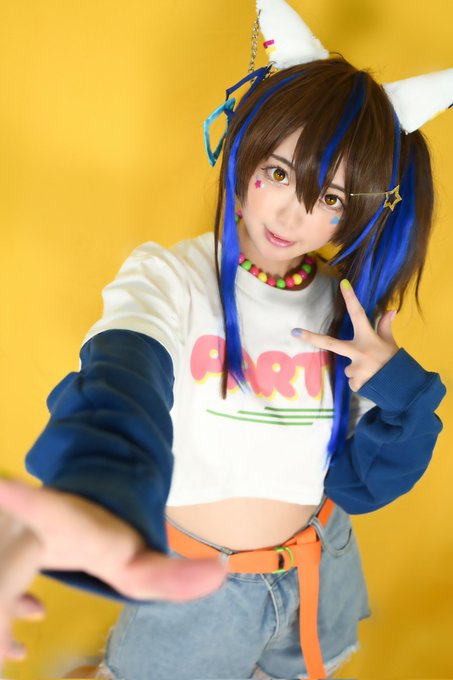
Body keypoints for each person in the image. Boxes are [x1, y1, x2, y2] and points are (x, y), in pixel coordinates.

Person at [0, 1, 448, 678]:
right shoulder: (169, 278)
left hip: (316, 568)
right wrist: (96, 487)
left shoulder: (348, 312)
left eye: (330, 198)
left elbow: (363, 483)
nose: (293, 212)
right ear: (244, 152)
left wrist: (397, 388)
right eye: (279, 172)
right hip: (199, 587)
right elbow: (122, 377)